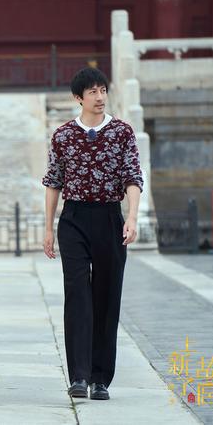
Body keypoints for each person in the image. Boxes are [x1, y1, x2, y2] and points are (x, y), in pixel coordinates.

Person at [42, 67, 143, 401]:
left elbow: (132, 177)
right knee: (77, 296)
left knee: (107, 296)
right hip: (73, 219)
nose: (100, 97)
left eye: (103, 90)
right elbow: (53, 182)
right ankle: (79, 376)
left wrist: (131, 217)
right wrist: (48, 228)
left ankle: (100, 378)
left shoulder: (122, 132)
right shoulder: (63, 136)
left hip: (109, 218)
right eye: (93, 92)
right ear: (78, 98)